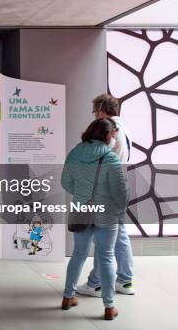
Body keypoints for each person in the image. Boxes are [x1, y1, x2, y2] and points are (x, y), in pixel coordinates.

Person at [61, 118, 130, 321]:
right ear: (107, 136)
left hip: (81, 210)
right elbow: (121, 195)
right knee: (106, 256)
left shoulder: (75, 153)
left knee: (78, 255)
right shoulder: (111, 160)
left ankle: (68, 297)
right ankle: (109, 307)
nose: (115, 138)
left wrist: (82, 195)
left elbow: (65, 181)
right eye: (113, 134)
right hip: (107, 214)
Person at [77, 94, 135, 297]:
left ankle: (96, 283)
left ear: (101, 109)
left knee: (105, 238)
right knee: (119, 235)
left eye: (94, 111)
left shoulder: (108, 128)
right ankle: (125, 280)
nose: (94, 115)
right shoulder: (125, 128)